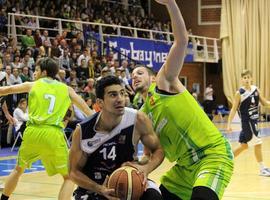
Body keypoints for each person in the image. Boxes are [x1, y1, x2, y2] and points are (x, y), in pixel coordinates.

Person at [131, 0, 234, 199]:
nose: (134, 76)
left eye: (140, 72)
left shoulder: (165, 82)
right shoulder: (143, 115)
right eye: (132, 74)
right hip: (184, 168)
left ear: (152, 77)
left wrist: (170, 3)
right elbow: (153, 153)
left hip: (212, 155)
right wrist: (139, 169)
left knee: (201, 196)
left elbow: (181, 40)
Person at [0, 57, 93, 200]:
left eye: (37, 70)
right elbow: (85, 108)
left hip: (32, 133)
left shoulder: (33, 85)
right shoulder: (66, 89)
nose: (35, 73)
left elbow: (8, 89)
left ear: (44, 72)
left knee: (18, 170)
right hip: (53, 133)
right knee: (69, 177)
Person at [69, 75, 164, 200]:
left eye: (122, 93)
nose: (120, 99)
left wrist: (145, 169)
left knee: (154, 197)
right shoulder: (83, 131)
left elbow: (158, 150)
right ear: (100, 102)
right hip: (95, 186)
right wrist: (100, 189)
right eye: (113, 95)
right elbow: (73, 172)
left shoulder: (138, 119)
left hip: (129, 180)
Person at [227, 69, 270, 176]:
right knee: (258, 144)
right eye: (244, 78)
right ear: (241, 80)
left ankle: (226, 161)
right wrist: (228, 124)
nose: (246, 79)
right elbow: (233, 109)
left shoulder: (256, 89)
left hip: (254, 122)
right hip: (247, 123)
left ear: (251, 78)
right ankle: (262, 169)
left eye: (248, 77)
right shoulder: (239, 93)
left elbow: (264, 103)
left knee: (243, 146)